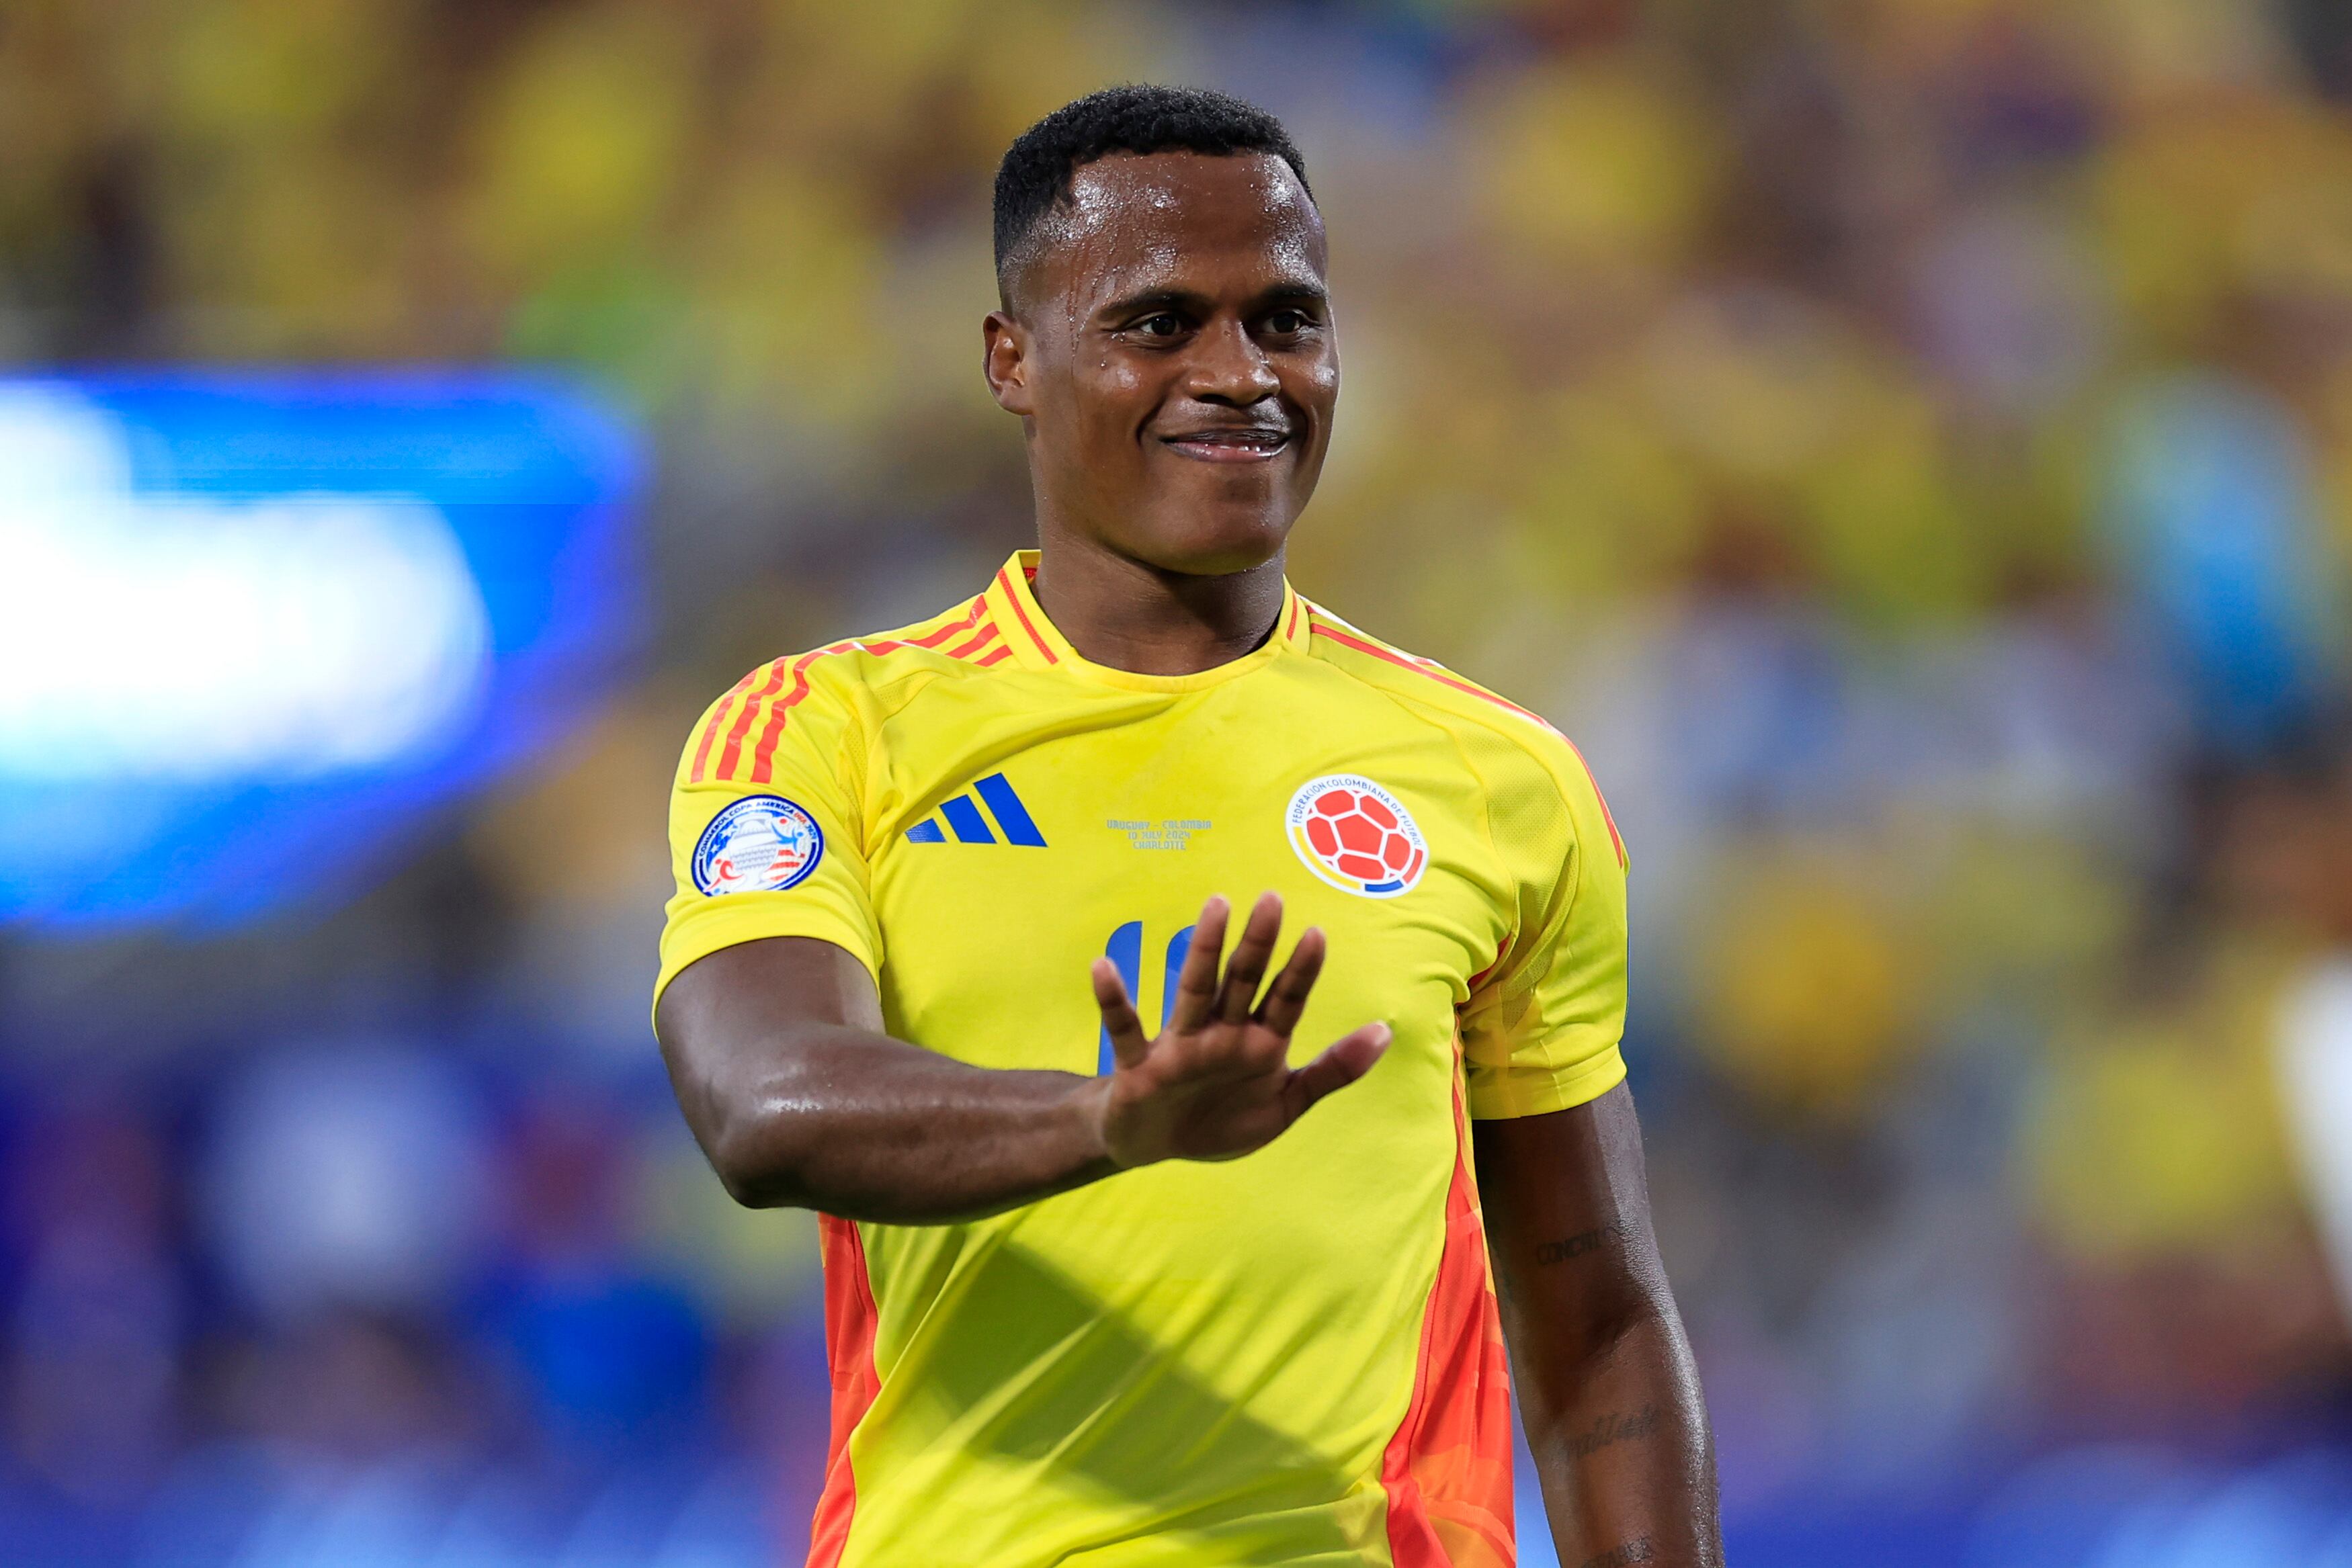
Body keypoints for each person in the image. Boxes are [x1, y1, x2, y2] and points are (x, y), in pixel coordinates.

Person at [656, 84, 1720, 1568]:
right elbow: (762, 1106)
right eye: (1158, 324)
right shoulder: (829, 729)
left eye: (1285, 318)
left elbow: (1597, 1317)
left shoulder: (1496, 777)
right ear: (1011, 361)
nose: (1240, 373)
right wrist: (1109, 1125)